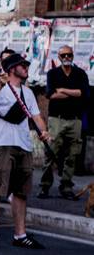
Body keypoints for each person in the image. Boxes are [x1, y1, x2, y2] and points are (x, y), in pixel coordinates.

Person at [0, 53, 50, 251]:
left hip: (24, 145)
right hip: (2, 145)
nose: (26, 68)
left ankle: (20, 234)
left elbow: (36, 116)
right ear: (11, 69)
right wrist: (0, 84)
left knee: (20, 192)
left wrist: (43, 132)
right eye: (22, 65)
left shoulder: (28, 92)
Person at [41, 44, 87, 199]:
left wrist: (62, 90)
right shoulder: (53, 73)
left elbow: (83, 93)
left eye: (69, 55)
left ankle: (66, 186)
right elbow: (50, 95)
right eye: (63, 55)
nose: (66, 58)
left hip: (75, 120)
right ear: (59, 57)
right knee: (51, 153)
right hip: (57, 120)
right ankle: (45, 186)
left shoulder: (80, 73)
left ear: (73, 56)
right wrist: (73, 93)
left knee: (72, 155)